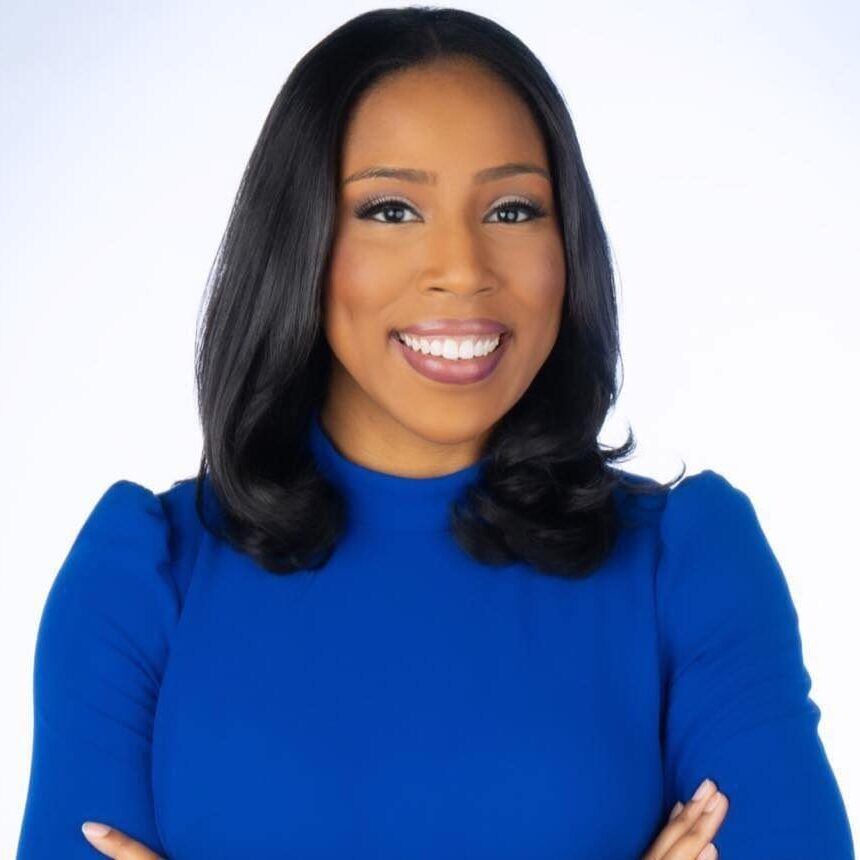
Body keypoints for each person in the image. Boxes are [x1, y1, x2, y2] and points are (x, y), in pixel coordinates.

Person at [15, 7, 854, 859]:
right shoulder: (145, 579)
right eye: (391, 209)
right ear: (298, 240)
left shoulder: (687, 564)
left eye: (514, 210)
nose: (461, 268)